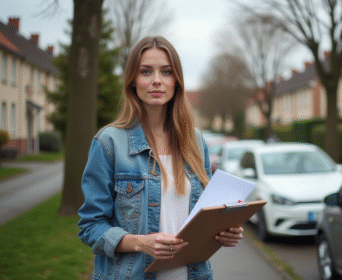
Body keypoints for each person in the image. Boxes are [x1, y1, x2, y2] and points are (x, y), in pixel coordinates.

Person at [78, 36, 244, 280]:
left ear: (176, 81)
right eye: (146, 71)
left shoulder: (194, 141)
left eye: (166, 72)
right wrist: (139, 243)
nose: (157, 80)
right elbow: (90, 226)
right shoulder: (109, 142)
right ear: (133, 81)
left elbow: (206, 216)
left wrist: (225, 232)